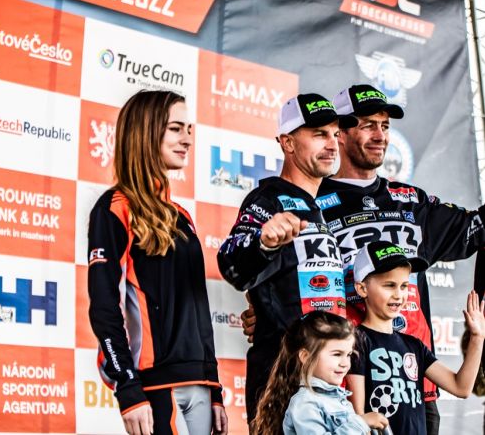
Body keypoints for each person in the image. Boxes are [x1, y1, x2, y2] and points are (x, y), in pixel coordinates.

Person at [241, 83, 485, 434]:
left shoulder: (412, 202)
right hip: (337, 385)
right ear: (338, 133)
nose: (380, 135)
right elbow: (268, 272)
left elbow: (477, 229)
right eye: (368, 125)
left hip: (412, 383)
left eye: (384, 126)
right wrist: (263, 313)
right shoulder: (306, 199)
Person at [87, 90, 228, 435]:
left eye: (189, 130)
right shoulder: (115, 208)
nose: (187, 139)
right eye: (176, 129)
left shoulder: (182, 216)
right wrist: (127, 386)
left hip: (200, 383)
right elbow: (104, 306)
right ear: (146, 131)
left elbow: (198, 310)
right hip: (154, 386)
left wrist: (214, 387)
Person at [217, 93, 358, 422]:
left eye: (335, 134)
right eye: (319, 134)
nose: (332, 144)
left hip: (322, 381)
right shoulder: (269, 198)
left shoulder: (320, 207)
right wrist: (264, 243)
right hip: (281, 380)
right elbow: (231, 264)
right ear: (287, 142)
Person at [347, 240, 485, 435]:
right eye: (389, 285)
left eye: (404, 286)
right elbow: (358, 417)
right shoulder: (355, 341)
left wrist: (477, 337)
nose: (399, 295)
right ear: (362, 289)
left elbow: (461, 387)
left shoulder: (414, 345)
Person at [252, 310, 388, 434]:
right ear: (305, 356)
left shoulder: (339, 400)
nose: (345, 363)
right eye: (337, 354)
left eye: (348, 355)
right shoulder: (305, 403)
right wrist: (361, 423)